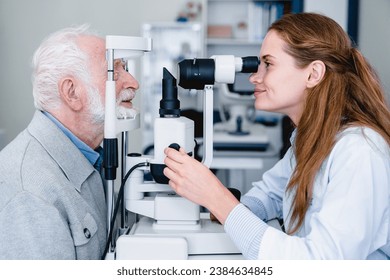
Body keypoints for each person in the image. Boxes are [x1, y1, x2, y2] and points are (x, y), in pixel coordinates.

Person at [163, 12, 390, 259]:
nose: (254, 77)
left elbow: (322, 264)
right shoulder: (311, 139)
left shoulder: (358, 152)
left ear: (313, 74)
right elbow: (271, 194)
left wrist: (217, 199)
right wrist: (231, 206)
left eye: (268, 64)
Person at [0, 24, 139, 259]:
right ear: (72, 93)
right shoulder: (31, 197)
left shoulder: (89, 156)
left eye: (125, 68)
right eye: (114, 70)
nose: (133, 82)